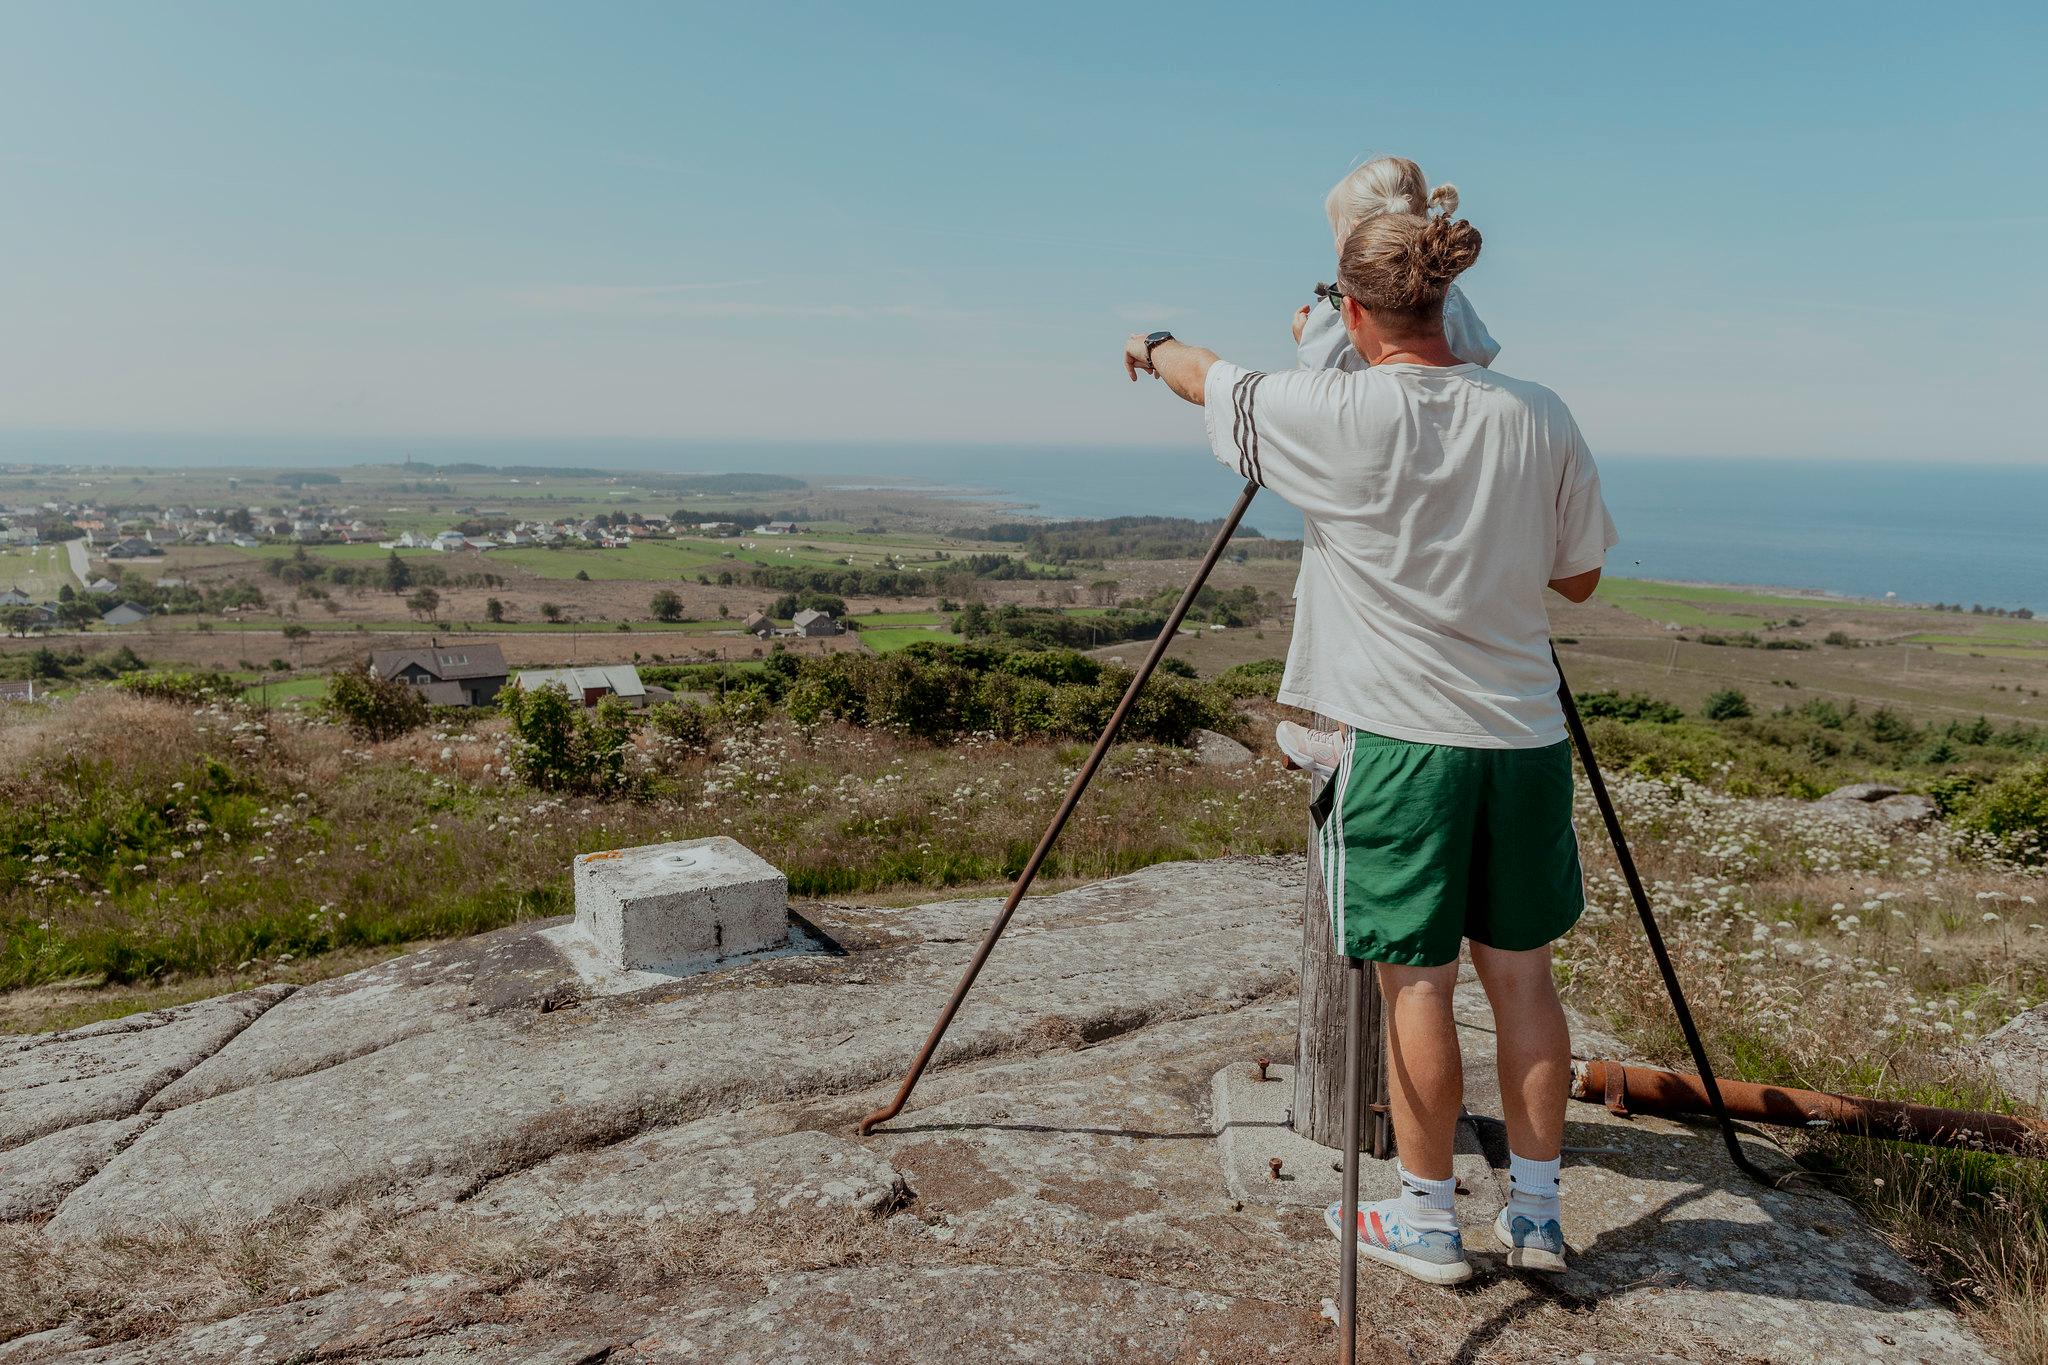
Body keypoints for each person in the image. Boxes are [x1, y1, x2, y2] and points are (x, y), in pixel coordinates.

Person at [1120, 203, 1616, 1287]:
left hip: (1399, 743)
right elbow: (1577, 575)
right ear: (1446, 300)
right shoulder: (1537, 413)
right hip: (1524, 735)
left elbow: (1209, 378)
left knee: (1418, 987)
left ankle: (1426, 1222)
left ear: (1348, 309)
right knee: (1524, 982)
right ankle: (1535, 1218)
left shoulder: (1325, 410)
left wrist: (1151, 346)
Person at [1291, 156, 1499, 375]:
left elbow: (1317, 380)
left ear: (1355, 235)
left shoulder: (1343, 306)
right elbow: (1476, 363)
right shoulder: (1449, 298)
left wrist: (1308, 337)